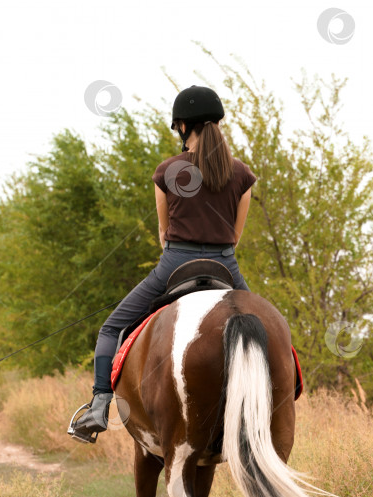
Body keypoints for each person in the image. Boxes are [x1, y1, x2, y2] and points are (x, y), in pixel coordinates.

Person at [69, 85, 256, 442]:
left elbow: (163, 232)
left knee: (111, 328)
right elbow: (235, 235)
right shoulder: (242, 174)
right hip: (225, 266)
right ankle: (283, 391)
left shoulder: (167, 171)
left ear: (184, 126)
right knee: (269, 326)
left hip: (174, 263)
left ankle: (98, 407)